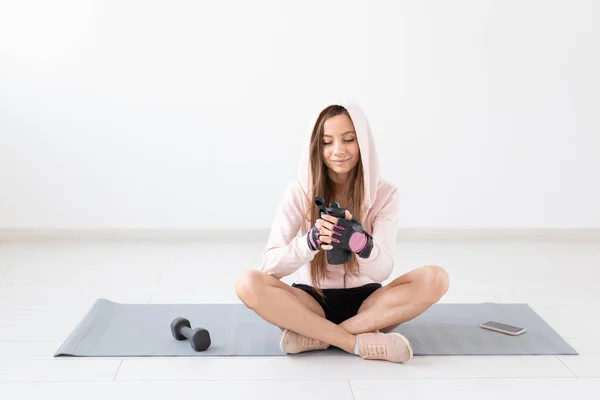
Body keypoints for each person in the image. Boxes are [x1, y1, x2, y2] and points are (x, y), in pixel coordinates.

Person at [235, 102, 449, 363]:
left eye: (348, 140)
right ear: (316, 146)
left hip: (368, 305)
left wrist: (360, 243)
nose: (338, 151)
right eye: (327, 142)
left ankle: (314, 336)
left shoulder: (385, 194)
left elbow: (382, 270)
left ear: (363, 144)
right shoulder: (298, 192)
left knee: (436, 278)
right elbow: (269, 268)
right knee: (247, 283)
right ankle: (355, 342)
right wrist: (310, 242)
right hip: (310, 301)